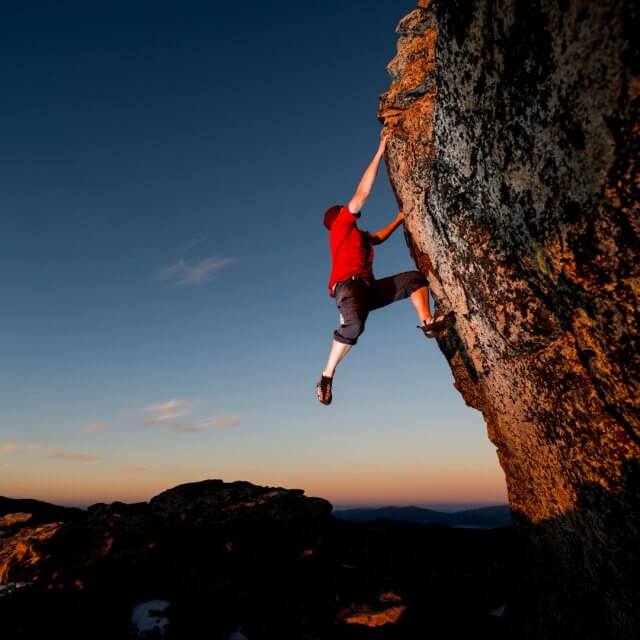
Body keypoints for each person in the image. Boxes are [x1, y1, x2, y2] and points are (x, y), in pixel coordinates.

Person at [316, 134, 449, 405]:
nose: (349, 210)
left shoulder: (358, 236)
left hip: (368, 288)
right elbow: (362, 193)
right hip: (348, 287)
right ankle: (327, 376)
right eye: (345, 209)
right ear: (340, 215)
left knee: (415, 279)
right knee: (355, 325)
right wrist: (379, 151)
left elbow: (378, 237)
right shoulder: (342, 226)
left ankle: (427, 323)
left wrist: (400, 219)